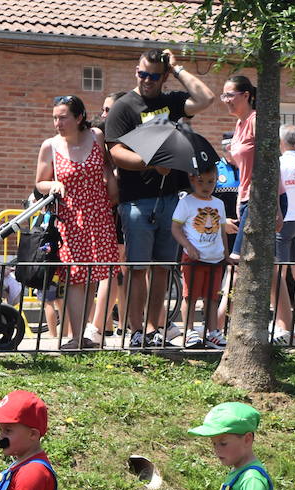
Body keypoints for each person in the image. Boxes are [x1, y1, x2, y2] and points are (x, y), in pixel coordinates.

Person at [103, 49, 214, 348]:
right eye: (142, 74)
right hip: (138, 201)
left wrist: (177, 68)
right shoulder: (124, 106)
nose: (147, 80)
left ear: (163, 76)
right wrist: (150, 162)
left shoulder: (172, 101)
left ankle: (154, 330)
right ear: (136, 70)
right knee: (138, 270)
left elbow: (206, 99)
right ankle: (136, 331)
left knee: (163, 269)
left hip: (171, 198)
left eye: (154, 75)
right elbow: (114, 152)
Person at [34, 94, 118, 350]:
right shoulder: (50, 146)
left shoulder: (96, 136)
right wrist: (53, 184)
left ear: (79, 117)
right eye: (55, 118)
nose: (57, 123)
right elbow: (39, 182)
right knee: (74, 277)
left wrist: (113, 188)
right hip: (70, 219)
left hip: (99, 215)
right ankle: (73, 337)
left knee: (93, 276)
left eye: (63, 117)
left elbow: (106, 167)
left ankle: (82, 337)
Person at [172, 167, 235, 348]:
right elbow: (175, 228)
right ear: (192, 180)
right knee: (190, 297)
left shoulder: (219, 204)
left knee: (212, 298)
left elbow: (222, 230)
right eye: (201, 181)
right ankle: (189, 330)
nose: (206, 186)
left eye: (210, 181)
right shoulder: (186, 202)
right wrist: (188, 246)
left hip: (215, 259)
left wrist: (225, 253)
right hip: (194, 259)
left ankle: (213, 332)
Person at [272, 122, 295, 344]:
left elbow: (277, 192)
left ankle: (281, 322)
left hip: (284, 220)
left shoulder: (280, 162)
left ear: (280, 141)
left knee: (279, 272)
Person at [221, 75, 256, 263]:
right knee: (267, 267)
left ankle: (224, 295)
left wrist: (275, 206)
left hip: (258, 197)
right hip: (245, 197)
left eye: (230, 95)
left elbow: (271, 162)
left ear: (246, 95)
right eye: (223, 96)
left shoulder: (255, 120)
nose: (226, 100)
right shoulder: (239, 122)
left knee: (237, 258)